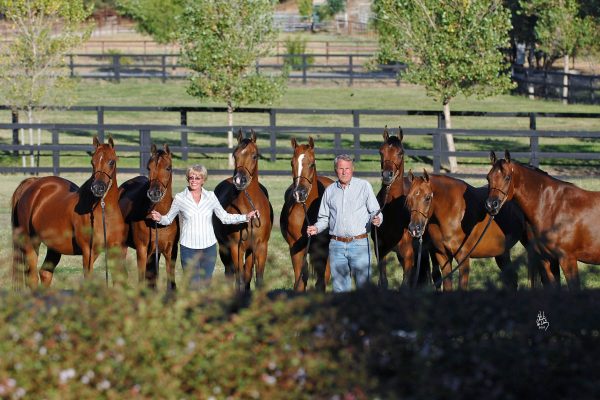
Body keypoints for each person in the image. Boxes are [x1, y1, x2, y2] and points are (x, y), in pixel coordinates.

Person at [151, 164, 259, 288]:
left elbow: (224, 217)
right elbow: (168, 219)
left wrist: (246, 217)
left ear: (203, 180)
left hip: (209, 248)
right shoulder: (180, 198)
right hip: (188, 248)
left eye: (197, 178)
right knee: (193, 286)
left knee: (205, 286)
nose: (194, 180)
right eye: (191, 177)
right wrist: (160, 218)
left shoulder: (211, 197)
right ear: (188, 179)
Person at [307, 154, 382, 292]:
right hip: (337, 246)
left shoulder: (364, 186)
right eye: (341, 168)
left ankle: (364, 314)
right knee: (340, 289)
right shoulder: (330, 191)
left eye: (347, 168)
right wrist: (316, 228)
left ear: (352, 169)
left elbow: (375, 211)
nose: (344, 172)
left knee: (364, 288)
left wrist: (377, 218)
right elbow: (324, 218)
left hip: (359, 244)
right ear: (336, 170)